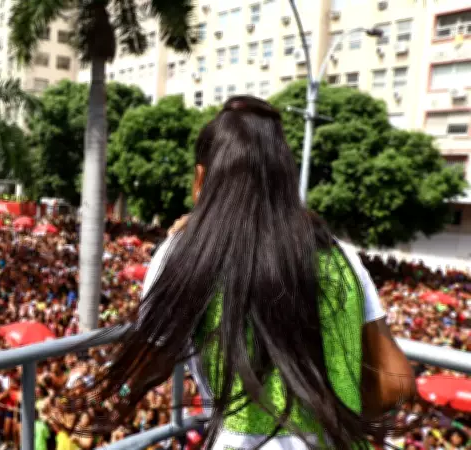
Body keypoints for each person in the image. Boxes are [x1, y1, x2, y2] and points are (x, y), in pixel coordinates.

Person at [94, 96, 417, 449]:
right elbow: (395, 384)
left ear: (200, 180)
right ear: (284, 180)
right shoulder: (339, 255)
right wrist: (333, 413)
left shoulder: (184, 252)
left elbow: (150, 364)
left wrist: (118, 392)